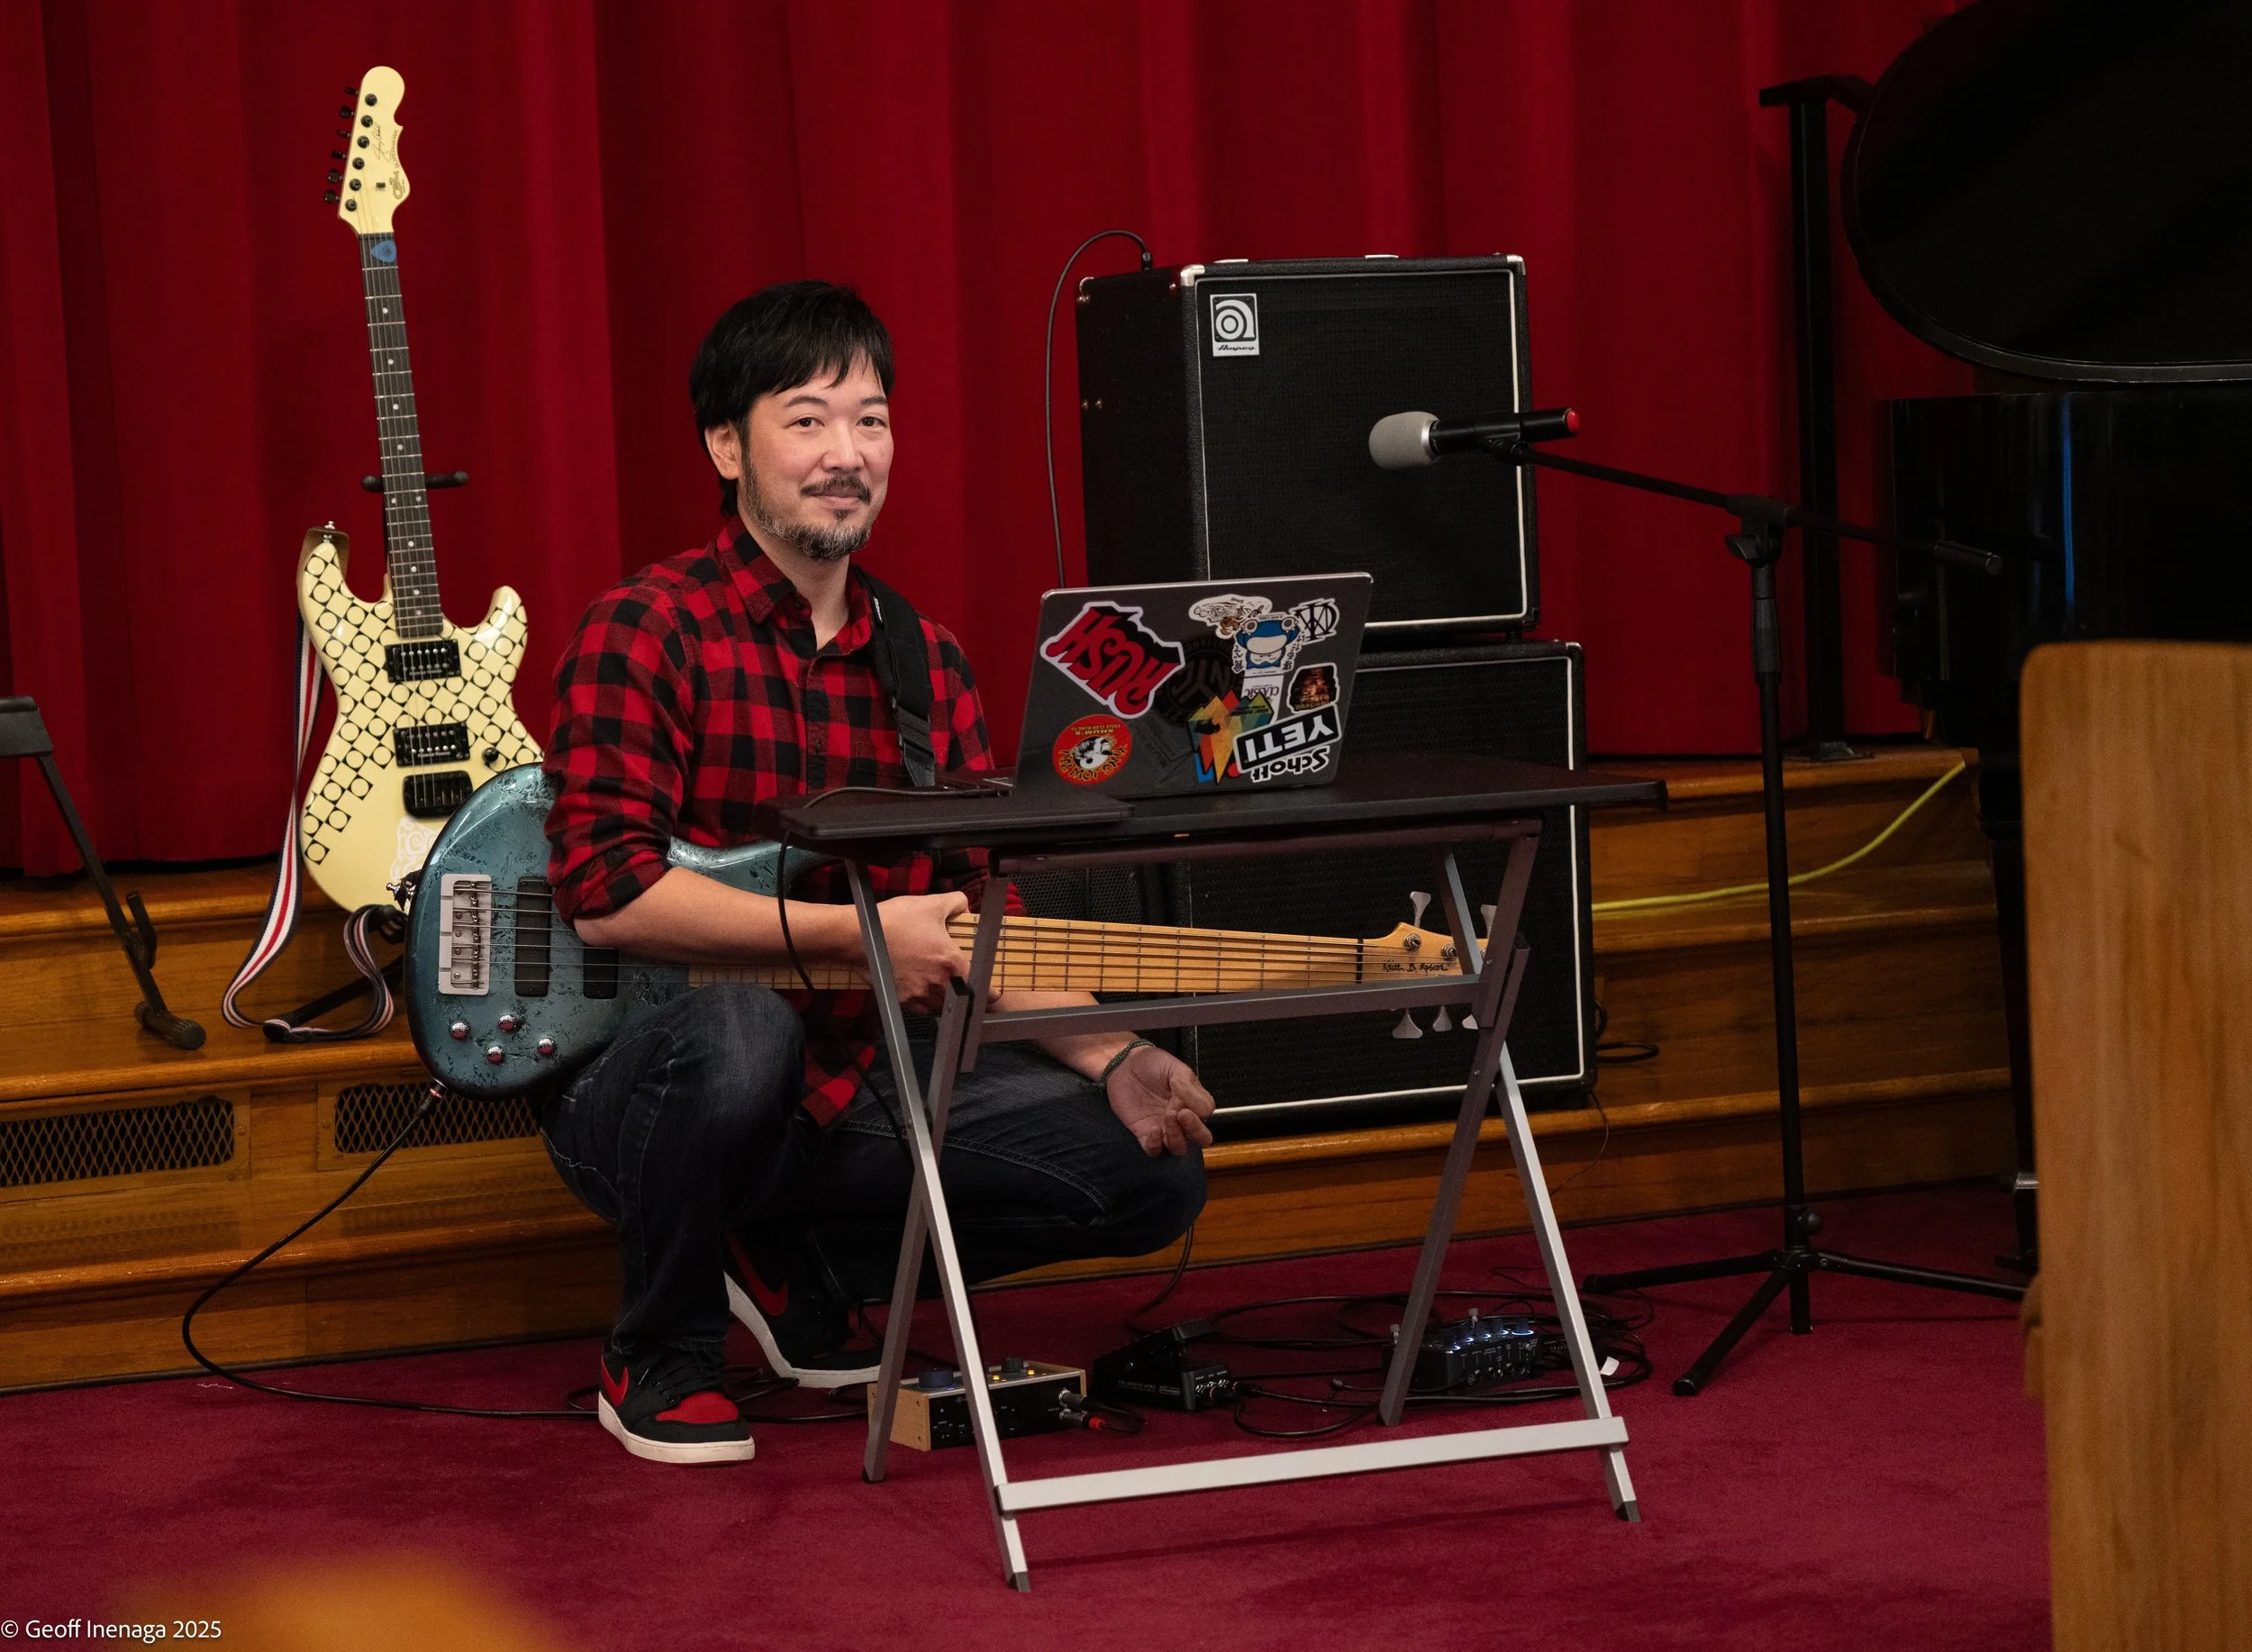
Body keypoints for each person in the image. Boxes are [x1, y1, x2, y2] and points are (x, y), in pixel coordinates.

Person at [540, 281, 1213, 1465]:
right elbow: (608, 895)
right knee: (743, 1035)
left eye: (873, 419)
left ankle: (798, 1258)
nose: (847, 453)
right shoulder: (643, 629)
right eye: (807, 419)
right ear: (723, 443)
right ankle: (662, 1342)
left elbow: (973, 924)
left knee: (1151, 1170)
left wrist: (1118, 1050)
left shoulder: (928, 663)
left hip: (856, 1090)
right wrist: (861, 939)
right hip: (651, 1092)